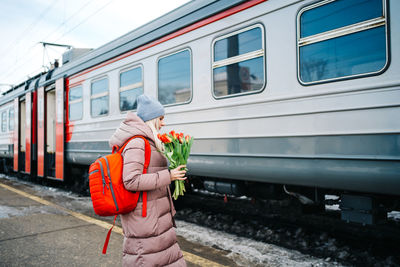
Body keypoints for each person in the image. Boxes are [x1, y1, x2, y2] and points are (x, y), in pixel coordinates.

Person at [109, 94, 187, 267]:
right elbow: (131, 180)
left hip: (154, 218)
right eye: (161, 118)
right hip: (146, 221)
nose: (163, 123)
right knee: (148, 259)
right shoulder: (137, 142)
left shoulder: (148, 141)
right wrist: (169, 176)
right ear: (152, 120)